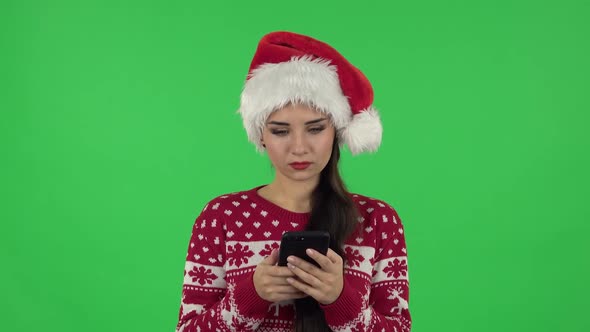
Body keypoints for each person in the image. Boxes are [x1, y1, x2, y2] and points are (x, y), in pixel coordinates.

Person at [175, 31, 412, 332]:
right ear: (260, 134)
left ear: (336, 130)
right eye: (280, 131)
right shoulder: (221, 218)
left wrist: (341, 301)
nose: (299, 147)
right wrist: (250, 296)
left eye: (314, 129)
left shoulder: (378, 221)